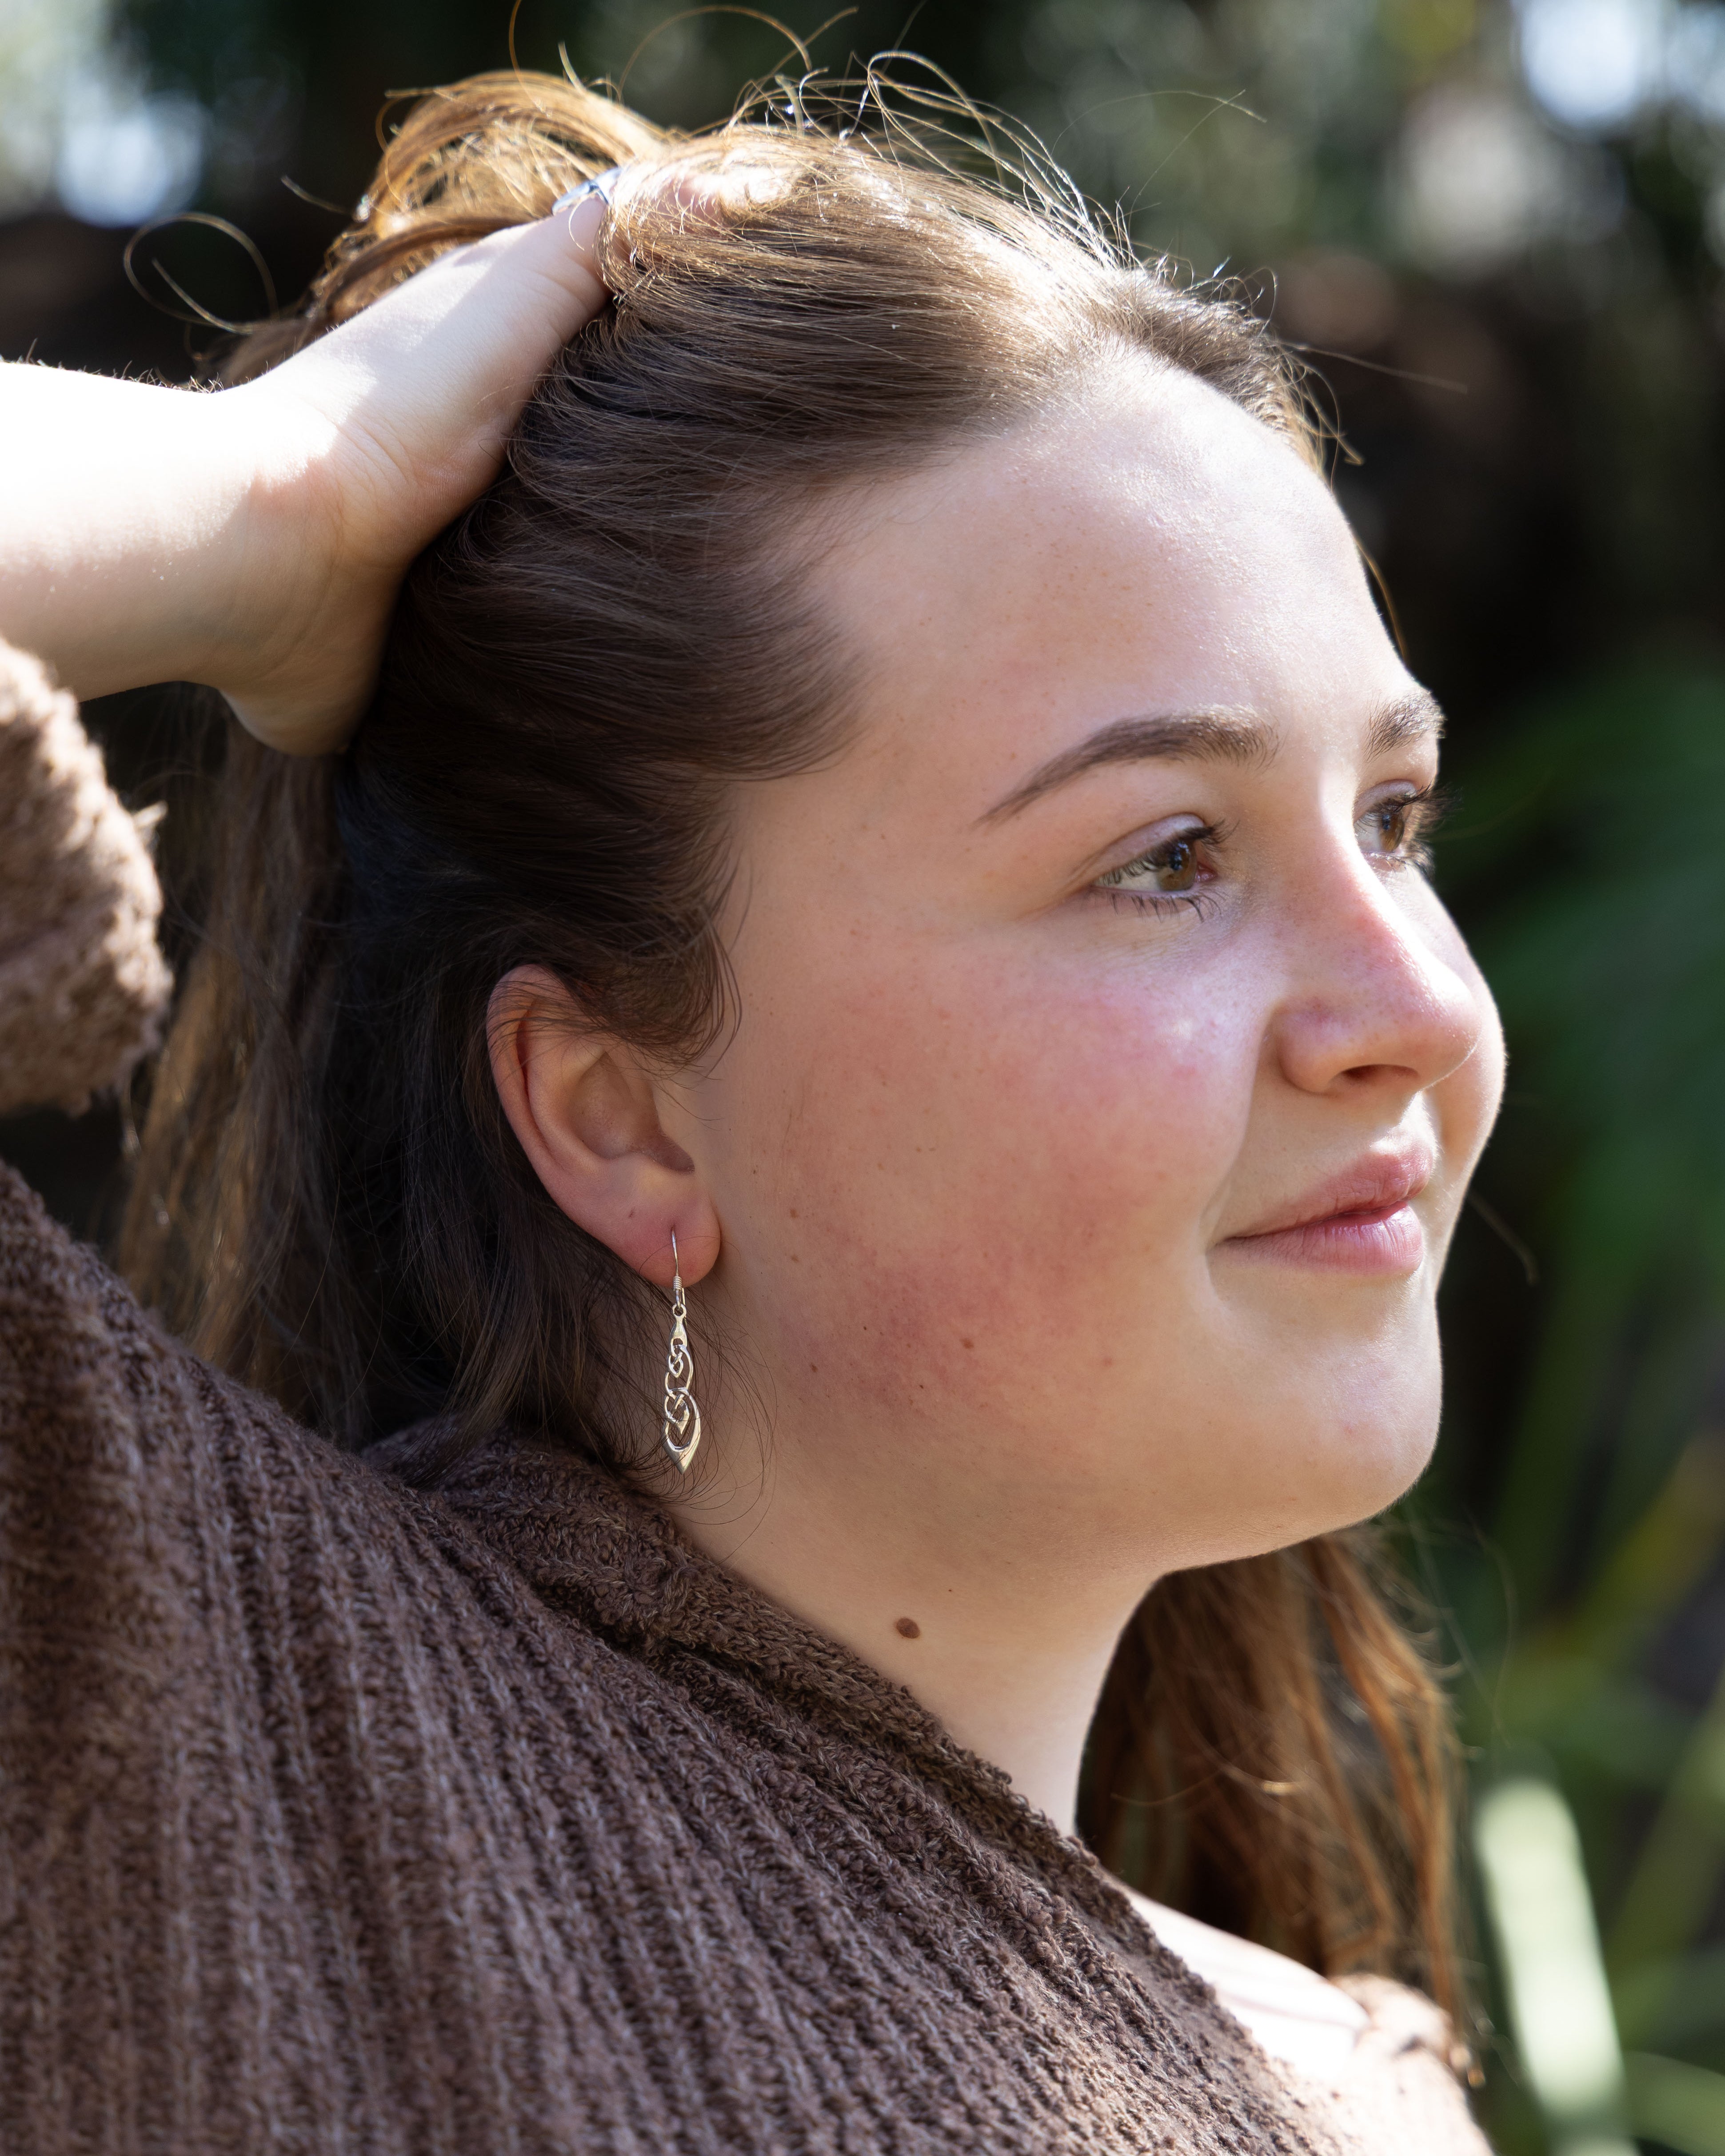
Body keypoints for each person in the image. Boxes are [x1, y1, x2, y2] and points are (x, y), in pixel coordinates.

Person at [0, 68, 1501, 2153]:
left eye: (1394, 817)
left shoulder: (1361, 2094)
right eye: (1166, 855)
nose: (1419, 1006)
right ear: (621, 1113)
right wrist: (284, 501)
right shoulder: (154, 1695)